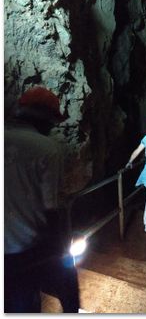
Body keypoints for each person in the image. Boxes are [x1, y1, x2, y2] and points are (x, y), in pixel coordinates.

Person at [4, 86, 80, 313]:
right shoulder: (47, 149)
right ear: (45, 118)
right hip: (30, 246)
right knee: (65, 291)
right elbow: (52, 206)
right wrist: (62, 250)